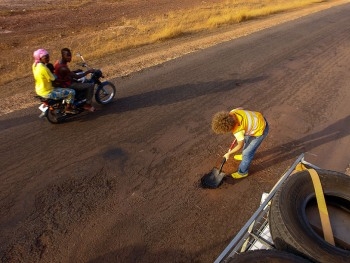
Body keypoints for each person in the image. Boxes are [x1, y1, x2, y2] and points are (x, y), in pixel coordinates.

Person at [211, 108, 269, 179]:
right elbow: (241, 108)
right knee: (246, 141)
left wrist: (229, 153)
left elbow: (240, 145)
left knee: (247, 153)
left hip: (261, 130)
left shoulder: (238, 131)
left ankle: (243, 172)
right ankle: (243, 155)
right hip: (257, 119)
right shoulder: (232, 112)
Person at [32, 48, 77, 114]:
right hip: (47, 91)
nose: (48, 58)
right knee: (71, 92)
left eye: (48, 56)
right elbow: (55, 80)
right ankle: (68, 108)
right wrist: (65, 80)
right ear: (40, 58)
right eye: (46, 57)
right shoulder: (43, 68)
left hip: (39, 89)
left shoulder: (35, 65)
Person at [54, 48, 96, 112]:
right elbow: (77, 77)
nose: (70, 57)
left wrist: (75, 71)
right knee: (90, 85)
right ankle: (87, 105)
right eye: (67, 55)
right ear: (63, 56)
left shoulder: (58, 62)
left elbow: (66, 73)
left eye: (70, 55)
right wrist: (88, 71)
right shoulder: (63, 68)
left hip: (62, 82)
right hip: (67, 84)